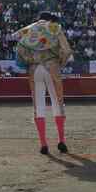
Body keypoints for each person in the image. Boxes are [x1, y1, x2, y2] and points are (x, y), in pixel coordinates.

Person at [14, 12, 72, 155]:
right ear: (50, 20)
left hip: (34, 70)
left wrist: (29, 63)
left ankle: (43, 144)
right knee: (57, 102)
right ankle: (61, 141)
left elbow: (19, 52)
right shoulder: (55, 28)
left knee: (38, 105)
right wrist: (60, 63)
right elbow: (67, 51)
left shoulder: (26, 30)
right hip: (52, 67)